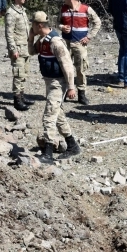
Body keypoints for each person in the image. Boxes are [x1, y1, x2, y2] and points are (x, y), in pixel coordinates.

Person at [28, 11, 82, 160]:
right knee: (58, 115)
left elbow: (68, 65)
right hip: (49, 81)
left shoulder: (55, 42)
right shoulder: (42, 39)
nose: (31, 26)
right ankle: (72, 145)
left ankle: (48, 152)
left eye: (33, 24)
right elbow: (32, 51)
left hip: (58, 83)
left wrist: (71, 86)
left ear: (39, 25)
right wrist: (31, 37)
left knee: (49, 116)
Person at [58, 0, 101, 105]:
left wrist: (89, 37)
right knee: (65, 67)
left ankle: (81, 94)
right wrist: (62, 27)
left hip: (79, 44)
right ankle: (65, 91)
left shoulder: (86, 9)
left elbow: (97, 22)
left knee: (81, 69)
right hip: (66, 43)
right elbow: (58, 22)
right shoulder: (63, 9)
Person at [6, 0, 34, 111]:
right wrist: (13, 49)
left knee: (24, 73)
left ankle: (22, 96)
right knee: (18, 74)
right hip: (17, 48)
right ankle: (17, 99)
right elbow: (9, 33)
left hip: (25, 48)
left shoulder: (22, 10)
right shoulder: (11, 13)